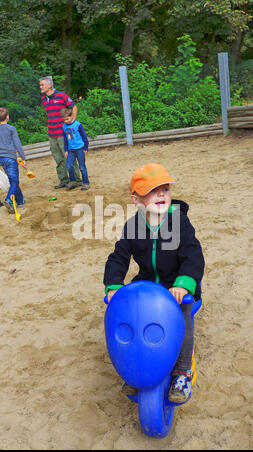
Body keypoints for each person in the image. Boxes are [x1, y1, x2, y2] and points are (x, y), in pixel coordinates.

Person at [103, 163, 205, 403]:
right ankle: (136, 367)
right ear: (136, 199)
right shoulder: (133, 226)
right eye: (153, 190)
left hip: (177, 286)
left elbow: (193, 255)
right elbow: (118, 257)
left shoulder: (179, 222)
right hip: (148, 284)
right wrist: (114, 285)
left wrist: (184, 283)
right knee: (130, 315)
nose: (162, 194)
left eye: (166, 189)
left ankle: (182, 371)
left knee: (183, 319)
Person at [40, 76, 82, 189]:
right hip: (52, 134)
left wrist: (72, 122)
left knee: (70, 156)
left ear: (49, 85)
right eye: (40, 85)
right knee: (58, 159)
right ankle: (64, 180)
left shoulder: (62, 96)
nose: (40, 87)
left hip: (65, 133)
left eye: (42, 85)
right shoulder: (43, 99)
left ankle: (77, 180)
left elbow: (74, 107)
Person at [0, 107, 26, 213]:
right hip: (10, 158)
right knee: (14, 180)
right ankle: (9, 199)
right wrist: (23, 158)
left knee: (12, 179)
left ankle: (20, 200)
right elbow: (17, 144)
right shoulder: (11, 128)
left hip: (1, 159)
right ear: (7, 117)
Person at [61, 108, 90, 191]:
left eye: (67, 119)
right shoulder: (64, 127)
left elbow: (84, 136)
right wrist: (66, 150)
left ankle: (86, 183)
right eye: (64, 120)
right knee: (69, 166)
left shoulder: (77, 124)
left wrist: (85, 147)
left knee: (82, 167)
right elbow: (66, 139)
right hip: (71, 150)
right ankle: (73, 181)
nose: (66, 121)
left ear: (72, 116)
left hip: (80, 149)